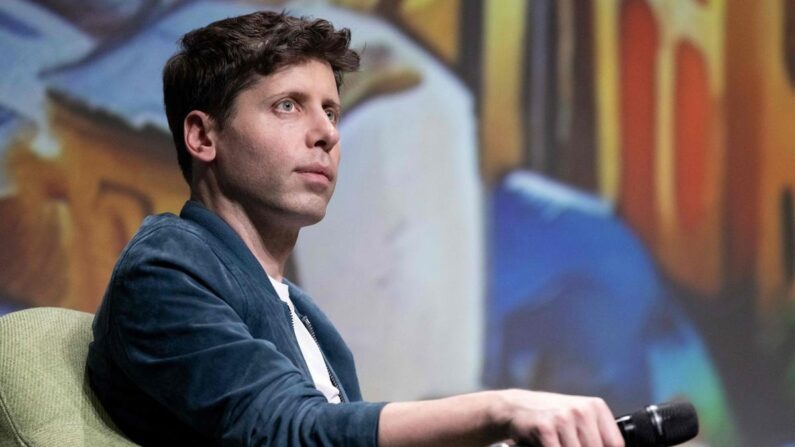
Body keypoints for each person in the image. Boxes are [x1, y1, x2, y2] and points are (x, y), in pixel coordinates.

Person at [87, 10, 625, 447]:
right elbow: (288, 433)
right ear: (203, 137)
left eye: (331, 112)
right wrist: (501, 407)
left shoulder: (307, 318)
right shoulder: (166, 269)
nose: (325, 133)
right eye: (288, 106)